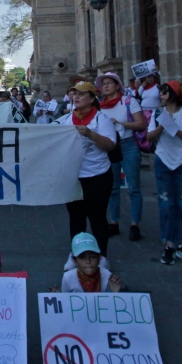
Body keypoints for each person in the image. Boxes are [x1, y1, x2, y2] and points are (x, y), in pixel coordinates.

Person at [55, 82, 117, 256]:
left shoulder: (101, 119)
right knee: (76, 219)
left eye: (81, 94)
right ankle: (77, 256)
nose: (76, 97)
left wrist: (91, 134)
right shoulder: (64, 120)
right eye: (74, 94)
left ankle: (102, 257)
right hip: (73, 177)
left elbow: (110, 145)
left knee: (97, 218)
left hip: (98, 176)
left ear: (92, 98)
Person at [146, 81, 182, 265]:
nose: (161, 96)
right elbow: (149, 137)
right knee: (166, 204)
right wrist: (162, 126)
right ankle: (169, 243)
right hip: (164, 161)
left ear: (173, 94)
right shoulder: (157, 114)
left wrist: (175, 129)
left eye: (164, 92)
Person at [96, 72, 147, 241]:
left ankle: (135, 224)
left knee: (133, 186)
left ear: (118, 85)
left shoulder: (128, 101)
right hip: (110, 147)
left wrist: (120, 123)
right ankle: (114, 221)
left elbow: (141, 124)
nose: (106, 86)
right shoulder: (100, 105)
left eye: (109, 83)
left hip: (128, 145)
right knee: (112, 187)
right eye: (104, 84)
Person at [57, 232, 125, 293]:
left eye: (93, 257)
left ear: (99, 258)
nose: (88, 261)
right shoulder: (68, 278)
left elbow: (111, 304)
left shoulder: (107, 276)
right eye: (82, 257)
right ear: (75, 261)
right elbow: (66, 303)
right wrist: (58, 297)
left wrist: (115, 292)